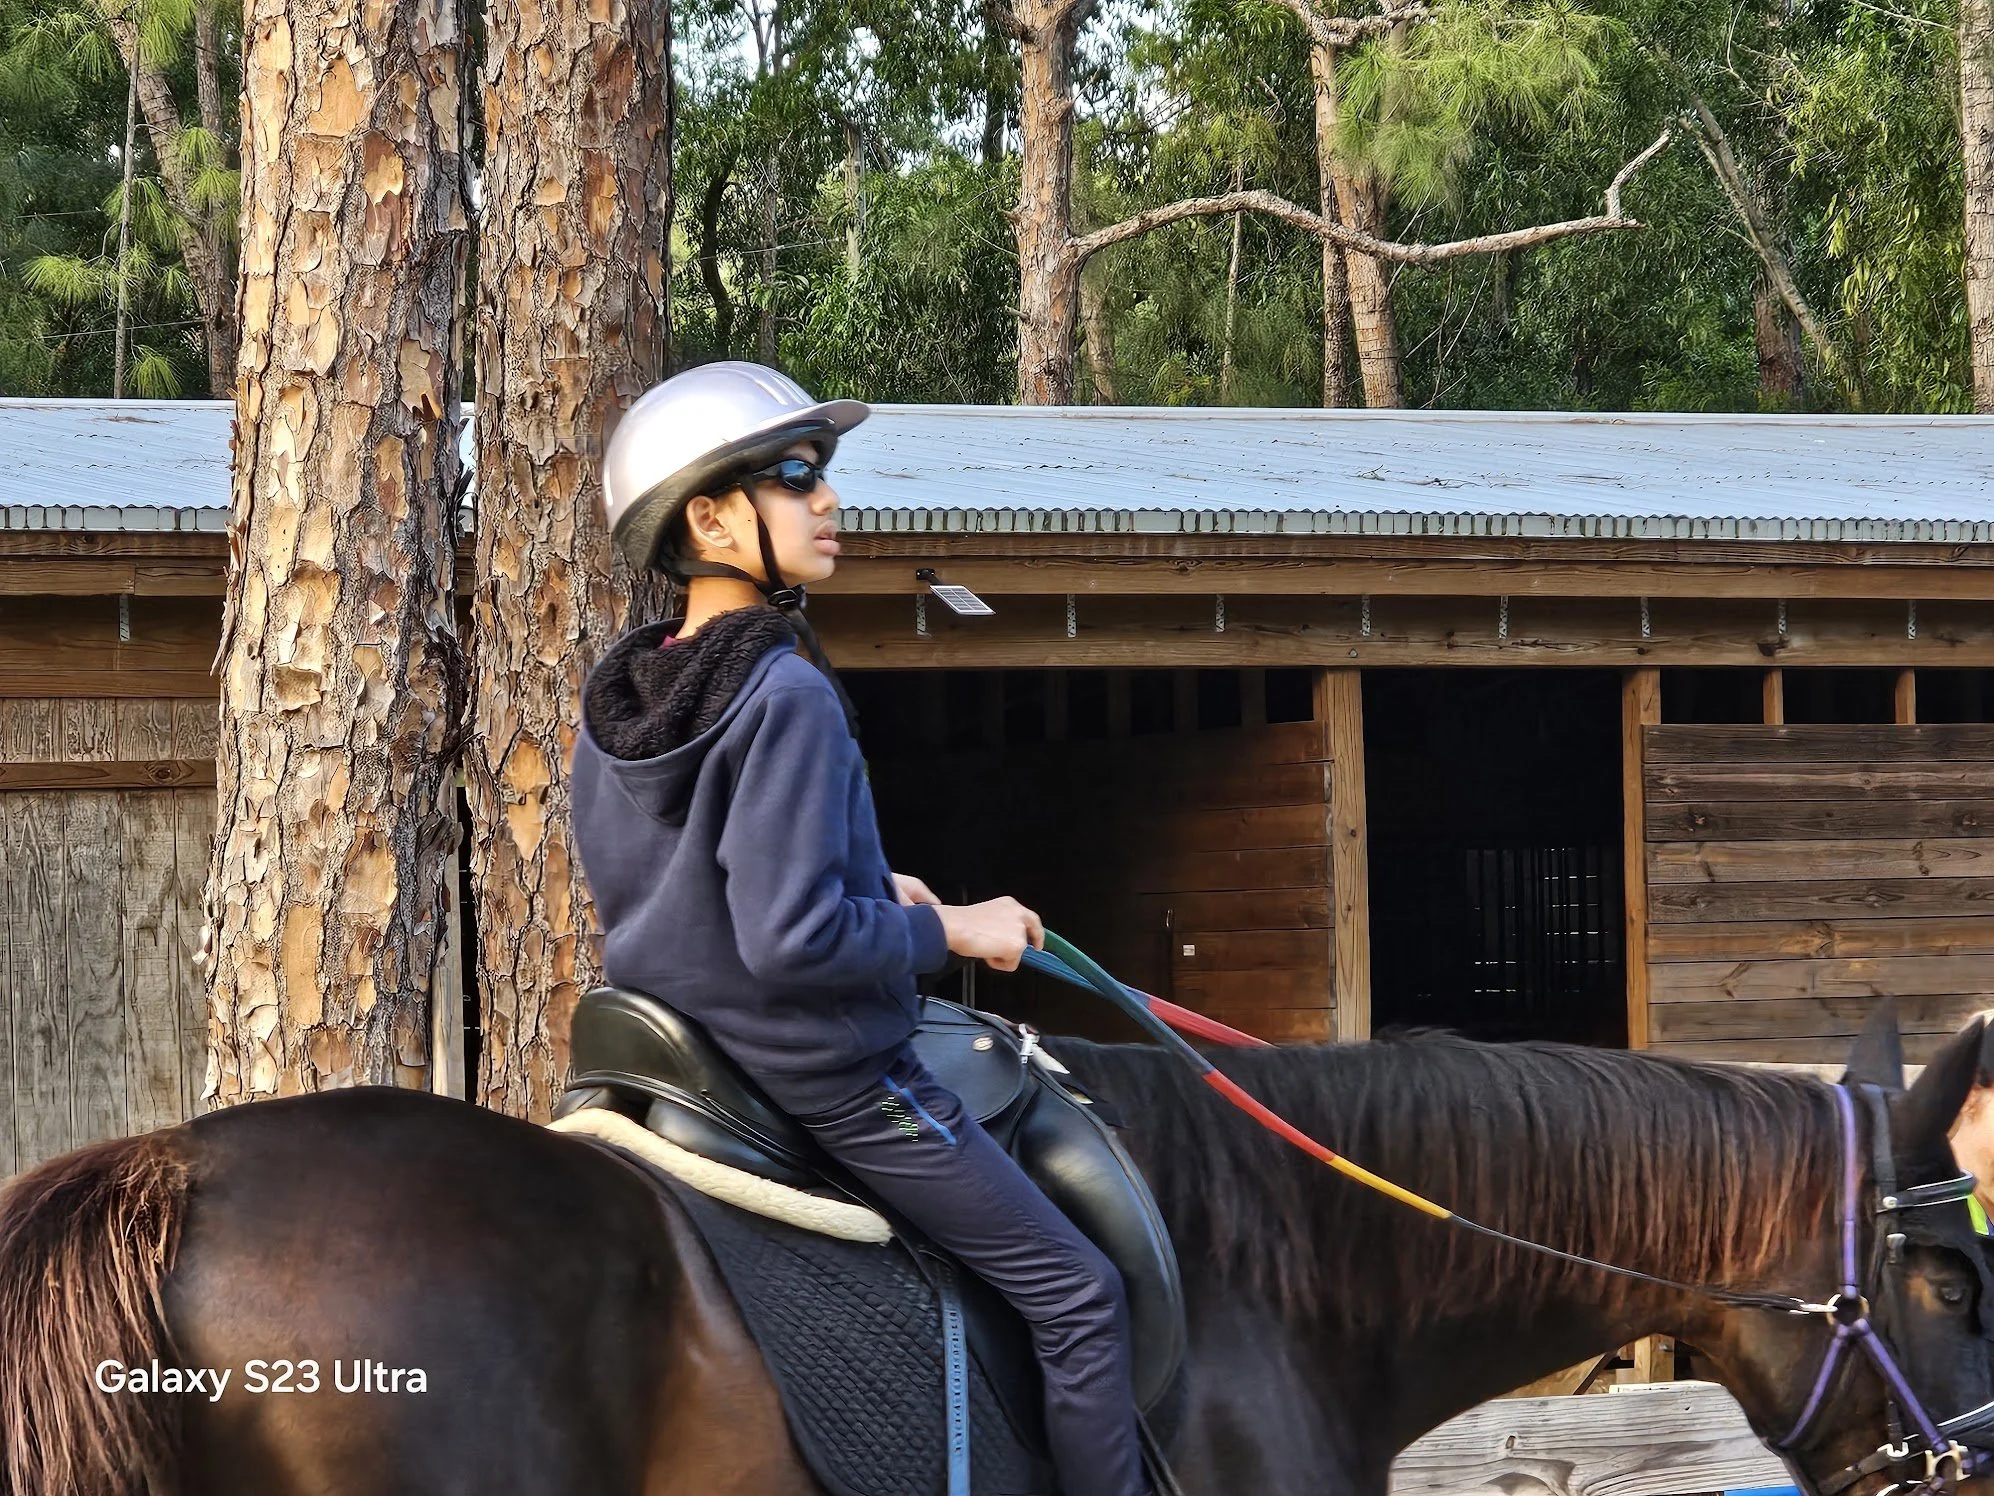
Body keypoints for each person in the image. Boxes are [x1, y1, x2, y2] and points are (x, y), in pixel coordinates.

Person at [567, 361, 1149, 1496]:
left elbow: (687, 883)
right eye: (795, 476)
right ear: (710, 515)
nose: (827, 498)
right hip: (816, 1072)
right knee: (1079, 1293)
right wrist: (959, 932)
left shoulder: (627, 699)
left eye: (821, 474)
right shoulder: (783, 693)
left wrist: (870, 879)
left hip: (671, 1057)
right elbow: (789, 943)